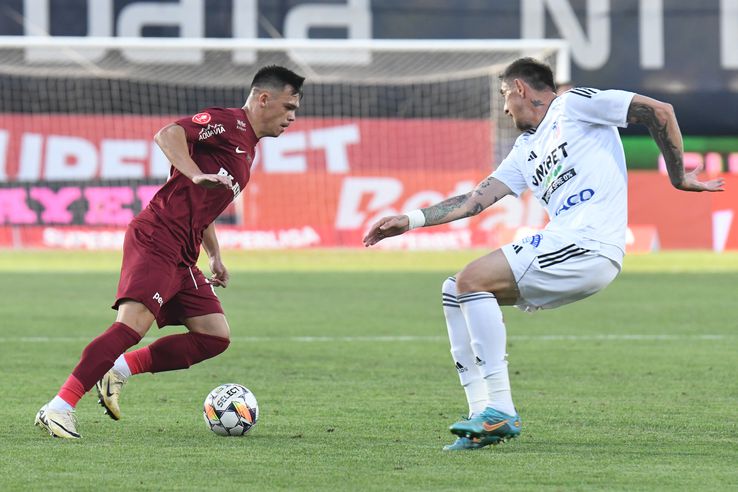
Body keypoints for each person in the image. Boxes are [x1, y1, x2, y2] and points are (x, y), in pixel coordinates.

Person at [363, 58, 724, 451]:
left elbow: (659, 111)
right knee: (454, 290)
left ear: (520, 89)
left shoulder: (576, 104)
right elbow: (474, 201)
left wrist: (678, 177)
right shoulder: (526, 149)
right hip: (567, 244)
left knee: (471, 279)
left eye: (504, 96)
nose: (504, 108)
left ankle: (500, 408)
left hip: (589, 243)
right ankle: (481, 416)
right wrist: (411, 220)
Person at [35, 65, 305, 439]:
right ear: (264, 99)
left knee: (214, 335)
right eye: (289, 106)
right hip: (157, 237)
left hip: (184, 250)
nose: (292, 116)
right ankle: (59, 407)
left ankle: (119, 370)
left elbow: (205, 206)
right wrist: (195, 173)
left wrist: (215, 255)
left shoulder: (247, 150)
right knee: (131, 327)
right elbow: (168, 134)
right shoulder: (228, 124)